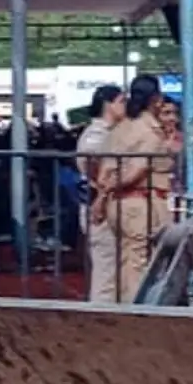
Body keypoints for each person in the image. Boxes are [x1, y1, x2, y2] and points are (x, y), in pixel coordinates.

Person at [100, 77, 174, 302]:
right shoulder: (149, 131)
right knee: (138, 264)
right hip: (139, 203)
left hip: (119, 203)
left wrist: (105, 194)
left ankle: (128, 306)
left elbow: (104, 171)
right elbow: (136, 171)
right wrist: (118, 183)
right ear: (156, 99)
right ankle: (135, 312)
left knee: (127, 261)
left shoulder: (121, 127)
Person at [77, 85, 126, 303]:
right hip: (99, 206)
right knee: (106, 269)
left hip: (112, 203)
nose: (126, 107)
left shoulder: (114, 133)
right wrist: (105, 186)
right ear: (108, 104)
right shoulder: (96, 135)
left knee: (118, 270)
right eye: (121, 101)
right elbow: (92, 164)